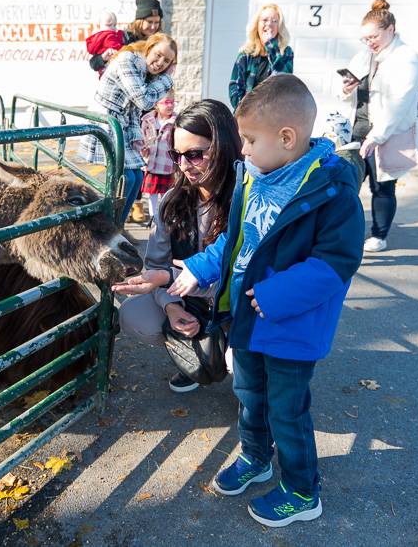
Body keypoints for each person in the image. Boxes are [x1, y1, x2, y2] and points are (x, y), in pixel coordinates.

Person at [117, 74, 364, 527]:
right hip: (251, 317)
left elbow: (336, 263)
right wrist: (193, 270)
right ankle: (256, 458)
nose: (243, 150)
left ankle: (302, 489)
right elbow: (234, 243)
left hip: (289, 324)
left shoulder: (332, 191)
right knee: (250, 396)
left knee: (287, 409)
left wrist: (273, 295)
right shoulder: (254, 179)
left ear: (286, 138)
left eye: (249, 140)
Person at [113, 99, 241, 392]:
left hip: (236, 304)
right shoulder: (172, 200)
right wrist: (171, 308)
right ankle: (190, 354)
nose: (183, 166)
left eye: (195, 155)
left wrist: (170, 281)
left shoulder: (245, 200)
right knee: (134, 314)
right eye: (177, 154)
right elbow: (156, 265)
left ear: (223, 146)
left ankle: (247, 375)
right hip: (191, 299)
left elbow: (239, 276)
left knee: (246, 367)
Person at [340, 0, 418, 253]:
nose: (369, 43)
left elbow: (398, 106)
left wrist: (376, 136)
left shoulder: (407, 60)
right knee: (347, 183)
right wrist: (346, 89)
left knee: (382, 186)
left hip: (387, 133)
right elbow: (349, 88)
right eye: (365, 39)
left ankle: (379, 235)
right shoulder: (366, 55)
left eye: (373, 37)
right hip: (359, 129)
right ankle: (342, 232)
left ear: (391, 30)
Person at [79, 33, 177, 224]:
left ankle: (118, 227)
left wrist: (136, 138)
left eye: (166, 61)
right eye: (158, 55)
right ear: (149, 47)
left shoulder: (146, 72)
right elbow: (144, 101)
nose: (160, 63)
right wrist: (167, 80)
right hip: (107, 123)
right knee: (126, 179)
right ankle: (109, 227)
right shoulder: (128, 60)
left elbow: (134, 110)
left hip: (122, 125)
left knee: (138, 177)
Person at [229, 3, 294, 110]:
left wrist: (271, 45)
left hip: (274, 116)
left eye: (274, 21)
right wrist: (246, 112)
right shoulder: (245, 54)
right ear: (257, 25)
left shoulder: (286, 52)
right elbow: (234, 88)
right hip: (247, 116)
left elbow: (284, 82)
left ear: (279, 27)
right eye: (265, 20)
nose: (269, 24)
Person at [87, 0, 163, 76]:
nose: (153, 26)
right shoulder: (125, 37)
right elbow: (94, 63)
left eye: (157, 22)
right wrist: (103, 58)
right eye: (149, 22)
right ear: (139, 21)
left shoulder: (160, 41)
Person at [139, 88, 177, 220]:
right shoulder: (148, 120)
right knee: (152, 193)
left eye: (172, 102)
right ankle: (152, 217)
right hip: (151, 163)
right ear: (156, 104)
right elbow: (142, 138)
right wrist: (143, 151)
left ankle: (164, 216)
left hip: (167, 163)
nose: (170, 105)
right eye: (166, 102)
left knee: (166, 194)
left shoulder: (175, 122)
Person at [86, 10, 126, 78]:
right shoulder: (109, 35)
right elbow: (117, 48)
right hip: (112, 67)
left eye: (114, 25)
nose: (113, 28)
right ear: (99, 25)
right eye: (109, 25)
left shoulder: (97, 37)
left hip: (103, 70)